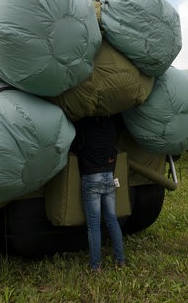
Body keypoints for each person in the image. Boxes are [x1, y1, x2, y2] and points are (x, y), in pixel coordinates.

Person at [71, 115, 126, 271]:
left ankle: (96, 266)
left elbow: (74, 146)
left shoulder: (83, 125)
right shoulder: (110, 125)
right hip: (109, 175)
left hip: (91, 178)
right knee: (112, 219)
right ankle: (120, 260)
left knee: (93, 225)